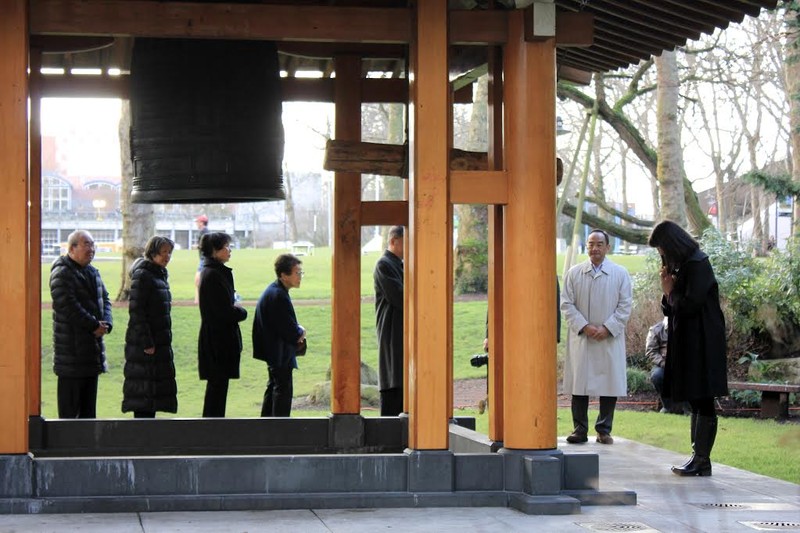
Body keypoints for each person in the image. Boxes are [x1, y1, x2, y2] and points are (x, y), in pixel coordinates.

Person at [648, 220, 728, 477]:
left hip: (702, 342)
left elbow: (690, 305)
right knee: (696, 396)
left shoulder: (697, 264)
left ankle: (702, 459)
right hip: (690, 341)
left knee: (702, 397)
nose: (661, 254)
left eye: (661, 249)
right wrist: (667, 292)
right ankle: (697, 456)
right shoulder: (685, 265)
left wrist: (671, 292)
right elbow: (672, 309)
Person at [561, 229, 632, 445]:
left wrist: (608, 327)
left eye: (599, 244)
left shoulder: (620, 274)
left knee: (609, 383)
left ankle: (604, 430)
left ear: (607, 247)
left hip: (609, 338)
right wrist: (584, 326)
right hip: (582, 338)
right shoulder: (574, 273)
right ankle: (579, 429)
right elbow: (566, 303)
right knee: (579, 385)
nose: (595, 248)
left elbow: (625, 305)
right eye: (591, 244)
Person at [49, 230, 113, 419]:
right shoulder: (62, 273)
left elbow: (105, 299)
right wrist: (94, 325)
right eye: (86, 244)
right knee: (70, 416)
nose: (91, 249)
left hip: (90, 355)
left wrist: (107, 323)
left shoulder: (92, 272)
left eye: (93, 244)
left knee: (88, 415)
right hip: (71, 357)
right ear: (71, 248)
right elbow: (68, 306)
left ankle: (87, 449)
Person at [122, 236, 177, 418]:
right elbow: (137, 310)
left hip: (157, 342)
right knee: (143, 391)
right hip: (145, 346)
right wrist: (147, 342)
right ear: (152, 253)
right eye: (163, 252)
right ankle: (141, 436)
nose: (167, 256)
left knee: (151, 391)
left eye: (169, 252)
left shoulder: (158, 274)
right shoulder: (144, 275)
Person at [197, 232, 247, 417]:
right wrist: (241, 311)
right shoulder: (213, 275)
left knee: (218, 387)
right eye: (226, 246)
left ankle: (214, 428)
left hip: (219, 339)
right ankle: (211, 430)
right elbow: (224, 311)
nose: (229, 249)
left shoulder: (215, 273)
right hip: (218, 341)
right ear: (214, 251)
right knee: (217, 388)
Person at [252, 254, 306, 417]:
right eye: (297, 273)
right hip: (279, 352)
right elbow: (289, 330)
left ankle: (267, 428)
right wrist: (301, 331)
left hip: (273, 350)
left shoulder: (275, 291)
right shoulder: (278, 295)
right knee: (282, 391)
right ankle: (280, 430)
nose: (300, 277)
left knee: (274, 388)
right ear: (284, 275)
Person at [373, 225, 405, 416]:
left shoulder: (399, 264)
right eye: (406, 242)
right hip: (392, 333)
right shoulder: (384, 265)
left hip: (401, 334)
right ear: (393, 241)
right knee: (393, 380)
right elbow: (399, 296)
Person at [646, 317, 689, 415]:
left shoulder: (689, 328)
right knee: (657, 375)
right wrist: (663, 363)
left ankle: (688, 408)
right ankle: (667, 406)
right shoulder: (655, 330)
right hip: (663, 365)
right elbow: (651, 351)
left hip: (685, 365)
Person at [193, 215, 209, 304]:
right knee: (200, 279)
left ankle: (198, 300)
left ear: (202, 223)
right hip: (204, 258)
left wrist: (197, 246)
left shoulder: (204, 232)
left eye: (198, 222)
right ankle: (198, 299)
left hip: (204, 258)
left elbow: (205, 245)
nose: (197, 224)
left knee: (198, 279)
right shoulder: (204, 232)